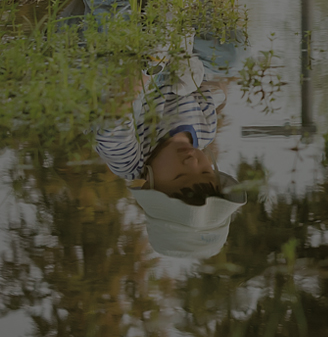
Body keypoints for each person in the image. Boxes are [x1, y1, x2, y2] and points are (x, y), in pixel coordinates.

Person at [91, 21, 246, 258]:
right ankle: (183, 10)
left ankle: (113, 1)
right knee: (233, 56)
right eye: (205, 173)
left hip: (125, 64)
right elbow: (212, 91)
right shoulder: (204, 132)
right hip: (170, 55)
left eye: (179, 176)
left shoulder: (132, 163)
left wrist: (149, 70)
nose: (192, 163)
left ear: (151, 186)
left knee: (119, 102)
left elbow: (112, 121)